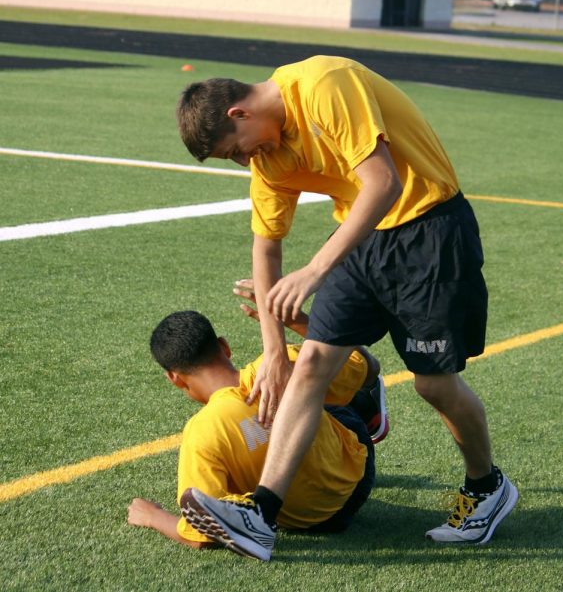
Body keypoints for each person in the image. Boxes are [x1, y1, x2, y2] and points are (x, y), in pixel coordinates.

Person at [173, 55, 517, 560]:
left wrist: (314, 271)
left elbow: (383, 183)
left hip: (431, 228)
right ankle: (261, 513)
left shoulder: (323, 84)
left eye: (235, 152)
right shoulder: (270, 159)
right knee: (307, 364)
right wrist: (272, 351)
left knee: (433, 384)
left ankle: (487, 486)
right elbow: (265, 247)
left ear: (238, 114)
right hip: (363, 241)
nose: (245, 161)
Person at [128, 303, 385, 557]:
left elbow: (203, 534)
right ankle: (369, 411)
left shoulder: (201, 432)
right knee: (318, 381)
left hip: (316, 522)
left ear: (174, 377)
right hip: (357, 477)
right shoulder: (279, 364)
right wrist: (294, 318)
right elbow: (368, 366)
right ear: (224, 347)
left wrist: (152, 515)